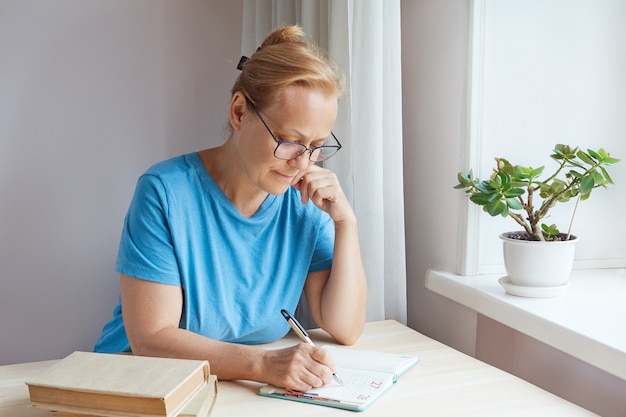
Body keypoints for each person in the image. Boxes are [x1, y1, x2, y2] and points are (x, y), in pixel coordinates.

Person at [94, 26, 367, 392]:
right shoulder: (164, 192)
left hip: (227, 389)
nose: (304, 163)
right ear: (239, 112)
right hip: (137, 382)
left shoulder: (304, 202)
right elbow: (151, 340)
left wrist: (346, 223)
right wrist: (263, 364)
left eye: (317, 145)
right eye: (289, 141)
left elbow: (345, 328)